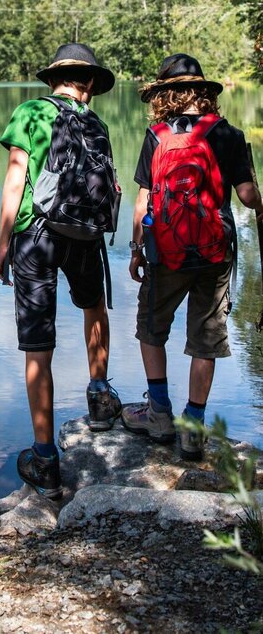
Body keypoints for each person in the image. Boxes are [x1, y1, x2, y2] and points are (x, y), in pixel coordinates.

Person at [0, 43, 122, 499]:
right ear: (89, 83)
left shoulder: (31, 111)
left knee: (38, 345)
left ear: (53, 79)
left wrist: (3, 241)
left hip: (37, 236)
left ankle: (45, 460)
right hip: (85, 235)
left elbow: (16, 177)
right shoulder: (96, 124)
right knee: (94, 307)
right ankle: (100, 398)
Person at [122, 53, 263, 460]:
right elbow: (247, 197)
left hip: (165, 253)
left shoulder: (156, 135)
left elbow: (143, 202)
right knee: (206, 337)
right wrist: (255, 190)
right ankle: (194, 428)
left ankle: (158, 414)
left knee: (151, 328)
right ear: (204, 92)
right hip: (214, 253)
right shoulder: (228, 134)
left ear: (164, 96)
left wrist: (136, 250)